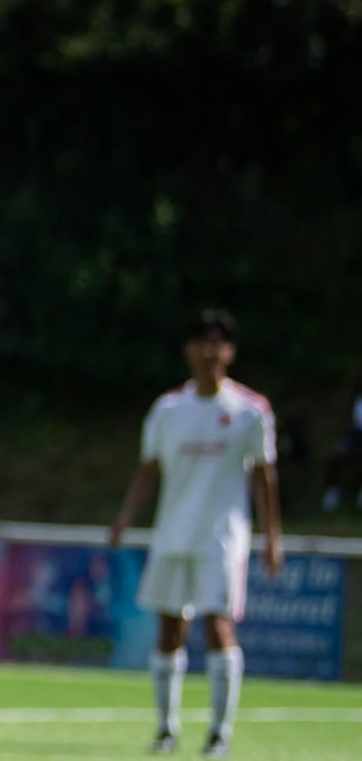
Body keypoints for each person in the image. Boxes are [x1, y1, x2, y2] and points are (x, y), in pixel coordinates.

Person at [110, 309, 282, 759]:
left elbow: (264, 475)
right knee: (170, 628)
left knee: (219, 625)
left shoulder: (249, 410)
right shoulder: (168, 410)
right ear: (188, 350)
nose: (209, 351)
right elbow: (149, 467)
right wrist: (126, 515)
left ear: (230, 352)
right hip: (172, 533)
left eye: (218, 343)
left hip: (222, 538)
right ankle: (166, 729)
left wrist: (272, 537)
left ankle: (219, 733)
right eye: (202, 342)